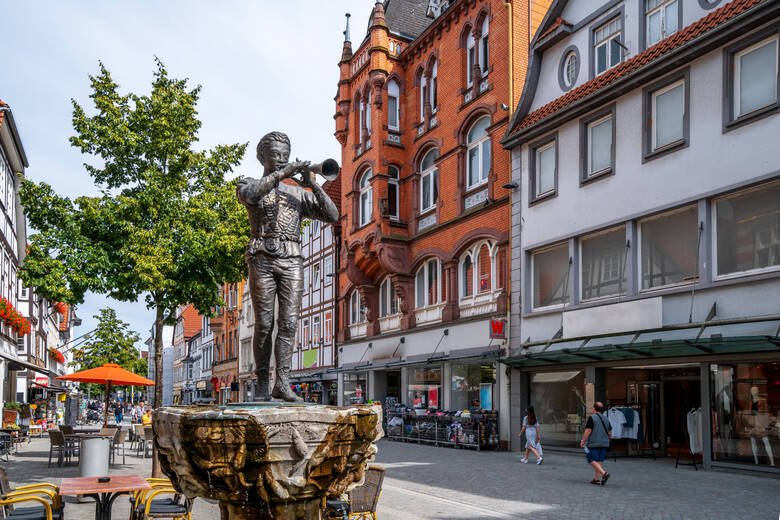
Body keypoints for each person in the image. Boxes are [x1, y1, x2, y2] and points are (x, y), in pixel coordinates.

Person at [236, 131, 339, 401]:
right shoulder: (248, 183)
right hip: (262, 257)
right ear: (262, 157)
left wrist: (312, 184)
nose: (282, 160)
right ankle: (261, 381)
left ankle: (282, 382)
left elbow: (332, 214)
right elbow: (252, 195)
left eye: (285, 155)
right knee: (264, 323)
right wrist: (282, 175)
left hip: (292, 258)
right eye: (276, 155)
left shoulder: (297, 193)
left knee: (290, 322)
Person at [580, 401, 612, 485]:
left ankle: (605, 474)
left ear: (594, 408)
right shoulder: (606, 418)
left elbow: (588, 430)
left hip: (594, 443)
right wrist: (608, 440)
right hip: (604, 443)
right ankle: (597, 479)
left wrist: (583, 440)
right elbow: (610, 431)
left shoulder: (592, 418)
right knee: (599, 460)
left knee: (590, 459)